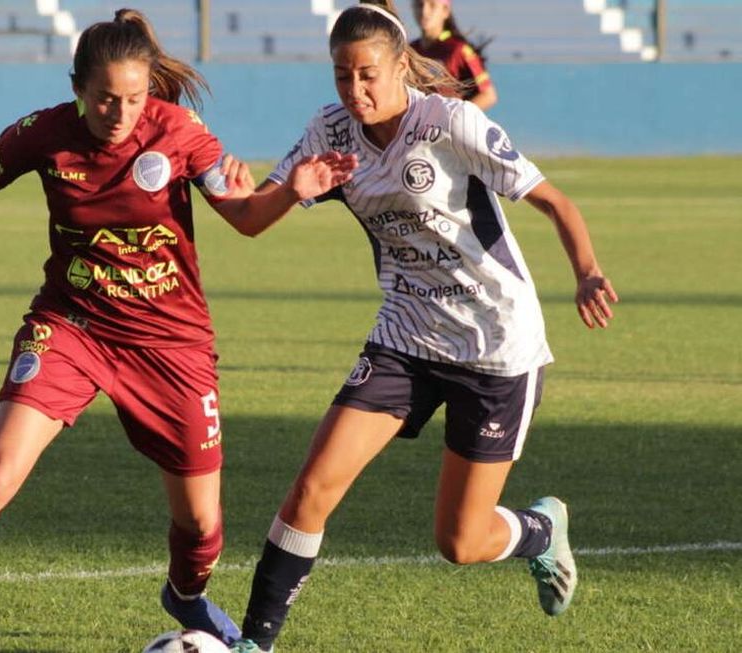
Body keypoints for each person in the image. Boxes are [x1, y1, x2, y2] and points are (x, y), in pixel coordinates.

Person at [0, 9, 356, 653]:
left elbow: (245, 218)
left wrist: (294, 191)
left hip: (171, 345)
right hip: (72, 327)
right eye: (107, 98)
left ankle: (184, 595)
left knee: (201, 525)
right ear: (78, 87)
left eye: (134, 99)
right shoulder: (42, 134)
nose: (120, 113)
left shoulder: (180, 132)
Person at [228, 2, 618, 651]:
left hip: (495, 344)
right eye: (342, 76)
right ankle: (253, 643)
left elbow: (554, 201)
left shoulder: (451, 122)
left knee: (460, 541)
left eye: (368, 75)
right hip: (405, 335)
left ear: (400, 67)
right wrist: (292, 188)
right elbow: (249, 218)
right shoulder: (329, 131)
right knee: (312, 489)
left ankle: (540, 531)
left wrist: (587, 272)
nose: (355, 91)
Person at [410, 0, 497, 111]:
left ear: (445, 11)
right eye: (419, 4)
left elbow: (488, 96)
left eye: (432, 5)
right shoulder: (409, 50)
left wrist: (457, 116)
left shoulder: (458, 50)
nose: (424, 11)